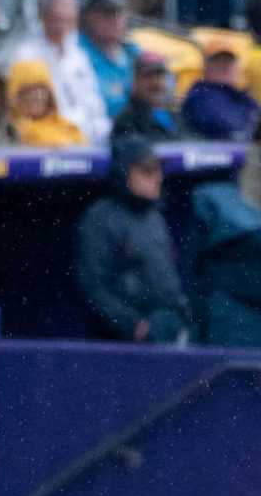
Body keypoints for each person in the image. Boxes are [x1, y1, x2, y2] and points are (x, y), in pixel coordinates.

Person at [75, 138, 192, 344]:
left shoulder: (154, 215)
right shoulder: (100, 218)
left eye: (158, 170)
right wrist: (133, 325)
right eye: (147, 171)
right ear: (124, 173)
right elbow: (93, 286)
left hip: (167, 325)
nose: (157, 177)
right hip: (125, 340)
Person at [16, 0, 108, 148]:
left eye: (69, 20)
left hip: (87, 139)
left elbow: (94, 105)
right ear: (43, 17)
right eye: (57, 19)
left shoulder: (79, 56)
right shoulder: (26, 55)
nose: (62, 26)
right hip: (46, 140)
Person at [79, 0, 140, 127]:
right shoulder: (77, 54)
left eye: (120, 13)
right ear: (89, 17)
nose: (115, 20)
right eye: (107, 14)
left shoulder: (133, 52)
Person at [181, 44, 260, 143]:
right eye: (218, 62)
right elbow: (223, 126)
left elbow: (260, 120)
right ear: (206, 66)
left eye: (229, 62)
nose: (225, 67)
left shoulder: (241, 96)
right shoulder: (199, 96)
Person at [1, 57, 78, 146]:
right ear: (15, 97)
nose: (37, 96)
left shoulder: (69, 128)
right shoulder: (7, 132)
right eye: (29, 90)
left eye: (41, 89)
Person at [112, 53, 179, 145]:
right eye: (148, 76)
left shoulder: (177, 116)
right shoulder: (127, 122)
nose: (156, 83)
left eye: (160, 76)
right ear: (135, 81)